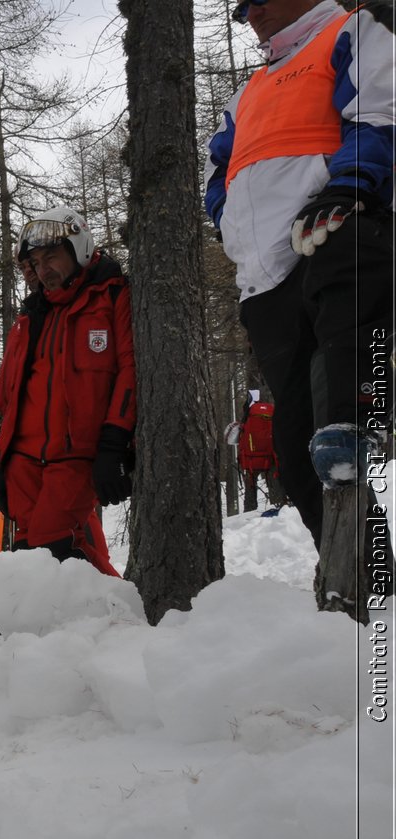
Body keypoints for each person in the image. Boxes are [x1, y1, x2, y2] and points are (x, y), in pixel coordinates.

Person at [204, 0, 392, 580]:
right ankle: (360, 573)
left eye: (257, 1)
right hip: (265, 272)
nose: (249, 15)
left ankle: (364, 410)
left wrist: (349, 187)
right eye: (240, 10)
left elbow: (382, 112)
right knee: (293, 441)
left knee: (342, 409)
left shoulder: (353, 28)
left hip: (337, 227)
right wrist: (227, 220)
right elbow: (219, 168)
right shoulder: (249, 90)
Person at [0, 208, 136, 576]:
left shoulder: (111, 296)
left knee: (58, 544)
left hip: (76, 456)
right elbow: (6, 398)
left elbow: (130, 371)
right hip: (23, 461)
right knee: (27, 556)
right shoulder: (31, 318)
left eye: (51, 257)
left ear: (79, 248)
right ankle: (38, 631)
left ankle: (118, 622)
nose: (44, 270)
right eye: (36, 263)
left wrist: (115, 442)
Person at [226, 390, 282, 511]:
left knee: (251, 482)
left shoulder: (248, 411)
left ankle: (250, 510)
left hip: (250, 458)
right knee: (274, 478)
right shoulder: (270, 409)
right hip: (270, 456)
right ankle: (279, 505)